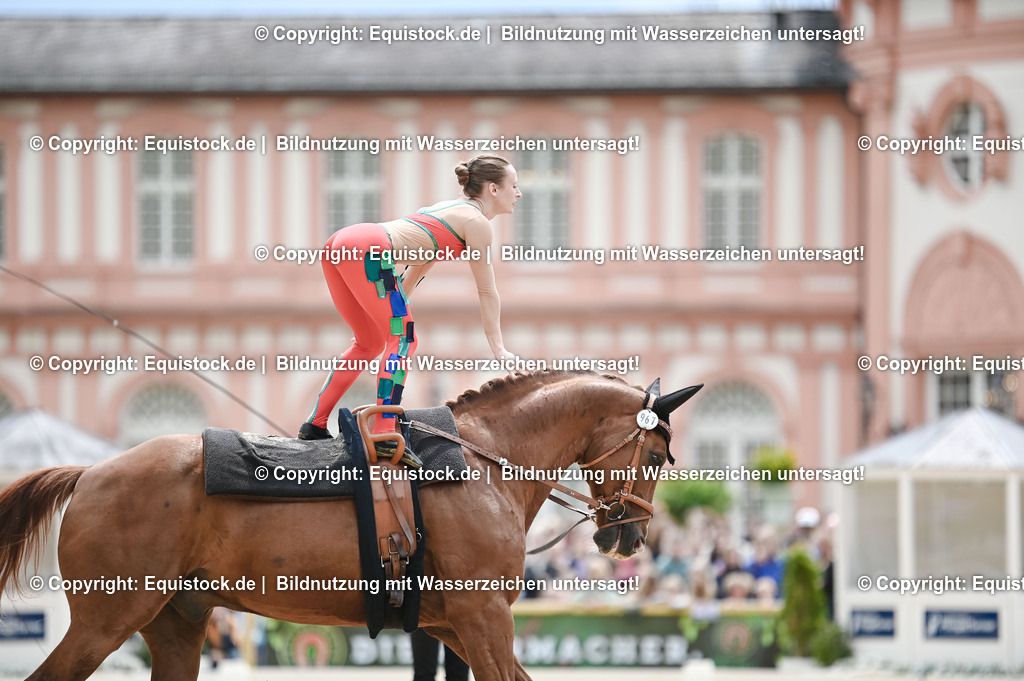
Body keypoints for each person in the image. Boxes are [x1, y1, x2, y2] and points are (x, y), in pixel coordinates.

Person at [298, 155, 520, 442]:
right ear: (493, 189)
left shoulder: (448, 210)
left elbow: (415, 270)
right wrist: (499, 349)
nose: (518, 193)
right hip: (369, 248)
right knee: (404, 338)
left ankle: (315, 423)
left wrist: (397, 309)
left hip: (341, 244)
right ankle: (384, 433)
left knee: (371, 342)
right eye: (513, 185)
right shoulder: (477, 223)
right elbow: (487, 290)